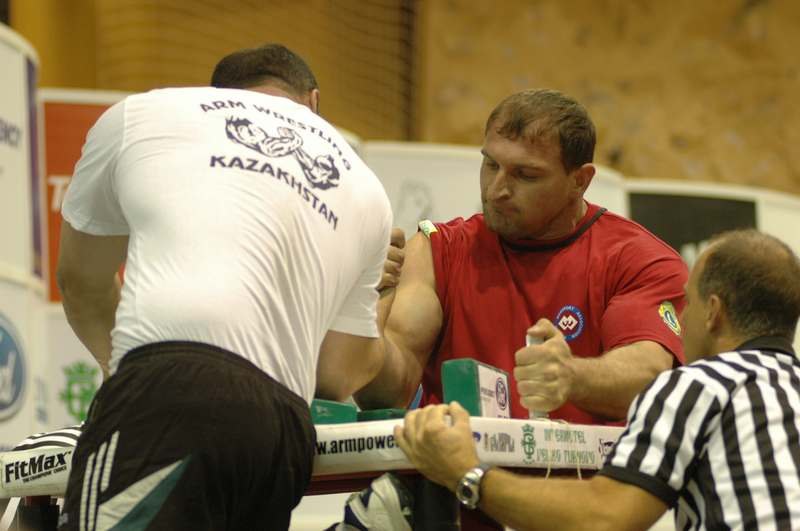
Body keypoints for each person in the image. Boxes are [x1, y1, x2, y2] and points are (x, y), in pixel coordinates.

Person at [55, 43, 392, 530]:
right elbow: (336, 376)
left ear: (215, 96)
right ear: (314, 102)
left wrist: (122, 369)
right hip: (282, 429)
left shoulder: (147, 112)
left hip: (168, 390)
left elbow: (81, 282)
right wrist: (383, 297)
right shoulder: (365, 185)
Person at [342, 89, 688, 529]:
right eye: (491, 164)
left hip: (572, 515)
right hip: (450, 513)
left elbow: (652, 375)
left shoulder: (638, 259)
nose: (498, 189)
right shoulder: (437, 250)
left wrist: (570, 376)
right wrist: (373, 301)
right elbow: (385, 391)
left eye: (525, 175)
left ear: (580, 180)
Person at [395, 229, 800, 530]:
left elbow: (605, 516)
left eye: (687, 304)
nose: (683, 320)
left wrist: (466, 473)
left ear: (713, 312)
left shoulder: (700, 384)